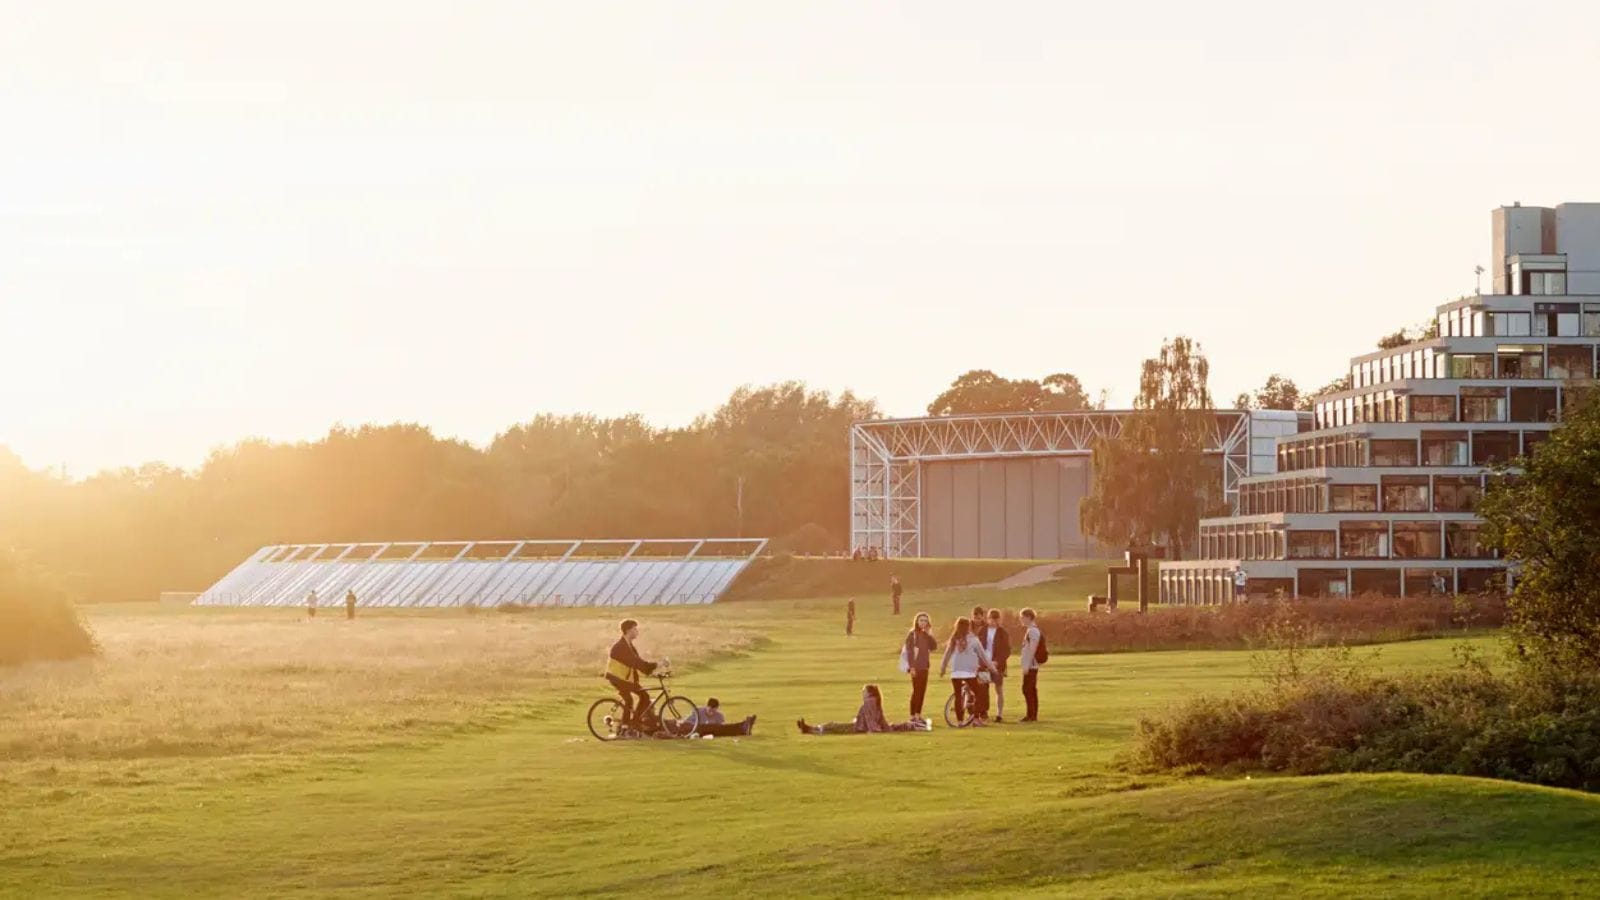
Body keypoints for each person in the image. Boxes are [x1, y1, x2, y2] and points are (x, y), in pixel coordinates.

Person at [797, 684, 925, 734]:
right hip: (858, 725)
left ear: (869, 693)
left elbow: (871, 721)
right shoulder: (874, 702)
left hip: (858, 728)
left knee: (833, 727)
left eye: (864, 691)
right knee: (833, 726)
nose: (862, 693)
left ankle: (810, 729)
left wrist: (873, 730)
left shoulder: (870, 703)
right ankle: (809, 728)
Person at [605, 618, 660, 728]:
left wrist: (652, 671)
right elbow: (636, 663)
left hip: (624, 678)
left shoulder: (629, 645)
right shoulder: (621, 647)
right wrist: (657, 664)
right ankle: (627, 726)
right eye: (635, 629)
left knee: (644, 696)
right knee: (630, 700)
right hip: (618, 678)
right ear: (628, 630)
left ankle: (634, 723)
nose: (637, 631)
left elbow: (639, 663)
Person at [938, 618, 994, 725]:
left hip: (955, 672)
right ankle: (976, 718)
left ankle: (959, 721)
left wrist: (943, 668)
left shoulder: (953, 639)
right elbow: (983, 656)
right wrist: (991, 667)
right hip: (969, 672)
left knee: (958, 695)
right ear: (968, 626)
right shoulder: (973, 639)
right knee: (979, 694)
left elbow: (947, 655)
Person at [902, 611, 938, 724]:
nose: (923, 623)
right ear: (917, 621)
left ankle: (918, 715)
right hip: (916, 667)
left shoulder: (925, 635)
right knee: (916, 691)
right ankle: (912, 715)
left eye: (925, 621)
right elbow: (909, 651)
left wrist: (929, 634)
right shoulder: (912, 635)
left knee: (922, 691)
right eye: (921, 620)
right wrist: (911, 667)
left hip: (924, 666)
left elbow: (934, 647)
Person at [979, 608, 1012, 723]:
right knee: (983, 688)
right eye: (992, 619)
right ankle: (983, 712)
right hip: (984, 664)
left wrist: (997, 661)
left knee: (998, 688)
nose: (994, 622)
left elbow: (1006, 650)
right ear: (988, 619)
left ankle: (999, 714)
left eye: (996, 619)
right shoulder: (982, 630)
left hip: (998, 665)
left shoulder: (1003, 633)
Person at [677, 698, 755, 737]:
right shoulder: (698, 711)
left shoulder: (719, 716)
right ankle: (743, 727)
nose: (711, 713)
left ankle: (743, 727)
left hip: (710, 732)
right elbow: (687, 722)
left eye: (714, 711)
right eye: (710, 710)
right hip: (698, 729)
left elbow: (722, 728)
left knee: (724, 729)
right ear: (707, 707)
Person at [1017, 607, 1042, 722]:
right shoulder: (1030, 630)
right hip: (1030, 665)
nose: (1021, 619)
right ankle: (1032, 714)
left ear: (1028, 617)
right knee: (1030, 689)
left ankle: (1031, 715)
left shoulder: (1033, 631)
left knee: (1027, 689)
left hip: (1031, 665)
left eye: (1022, 617)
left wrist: (1027, 665)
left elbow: (1033, 648)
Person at [967, 605, 991, 721]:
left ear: (982, 616)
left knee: (984, 686)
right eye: (975, 617)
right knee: (969, 685)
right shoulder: (968, 626)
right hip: (970, 660)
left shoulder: (987, 628)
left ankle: (983, 711)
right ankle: (971, 709)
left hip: (982, 661)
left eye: (979, 617)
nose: (977, 619)